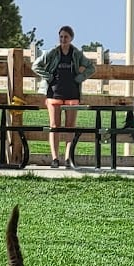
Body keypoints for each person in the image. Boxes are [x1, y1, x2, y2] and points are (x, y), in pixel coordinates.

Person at [32, 25, 96, 167]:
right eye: (61, 36)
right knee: (54, 126)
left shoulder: (76, 53)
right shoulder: (53, 52)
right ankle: (55, 158)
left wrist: (80, 77)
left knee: (70, 126)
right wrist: (48, 76)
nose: (63, 39)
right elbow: (36, 65)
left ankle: (68, 157)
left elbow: (91, 67)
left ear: (71, 38)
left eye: (66, 37)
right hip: (54, 93)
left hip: (72, 93)